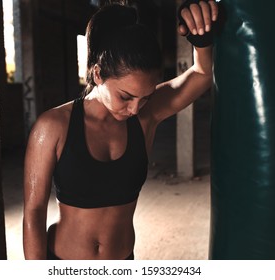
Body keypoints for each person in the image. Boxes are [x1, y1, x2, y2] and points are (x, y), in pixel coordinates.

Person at [23, 0, 219, 260]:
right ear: (97, 74)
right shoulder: (52, 127)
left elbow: (202, 74)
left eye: (146, 97)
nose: (135, 109)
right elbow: (34, 215)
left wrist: (200, 35)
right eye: (125, 97)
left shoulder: (145, 117)